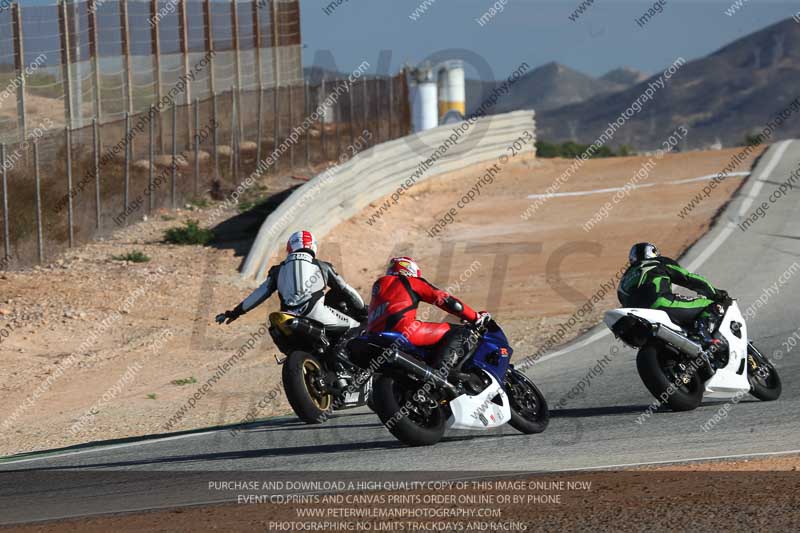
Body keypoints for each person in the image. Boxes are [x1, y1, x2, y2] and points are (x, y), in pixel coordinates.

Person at [216, 230, 366, 329]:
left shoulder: (277, 270)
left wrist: (235, 313)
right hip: (317, 314)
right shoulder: (323, 267)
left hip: (287, 318)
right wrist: (364, 310)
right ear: (313, 247)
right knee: (356, 328)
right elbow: (345, 289)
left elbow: (258, 295)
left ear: (290, 247)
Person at [367, 256, 490, 370]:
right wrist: (475, 317)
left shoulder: (378, 286)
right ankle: (441, 374)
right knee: (462, 332)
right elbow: (446, 301)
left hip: (373, 335)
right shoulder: (410, 281)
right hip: (405, 331)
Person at [618, 242, 731, 359]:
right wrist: (716, 294)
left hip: (638, 317)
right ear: (653, 253)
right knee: (712, 305)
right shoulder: (659, 262)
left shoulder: (624, 280)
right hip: (662, 304)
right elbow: (688, 278)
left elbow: (623, 301)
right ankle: (704, 338)